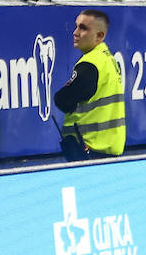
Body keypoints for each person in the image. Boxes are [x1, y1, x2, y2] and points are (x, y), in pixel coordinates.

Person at [54, 9, 126, 160]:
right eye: (76, 26)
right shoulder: (107, 58)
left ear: (99, 35)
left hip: (90, 148)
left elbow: (63, 100)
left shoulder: (91, 64)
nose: (75, 32)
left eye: (83, 28)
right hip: (108, 147)